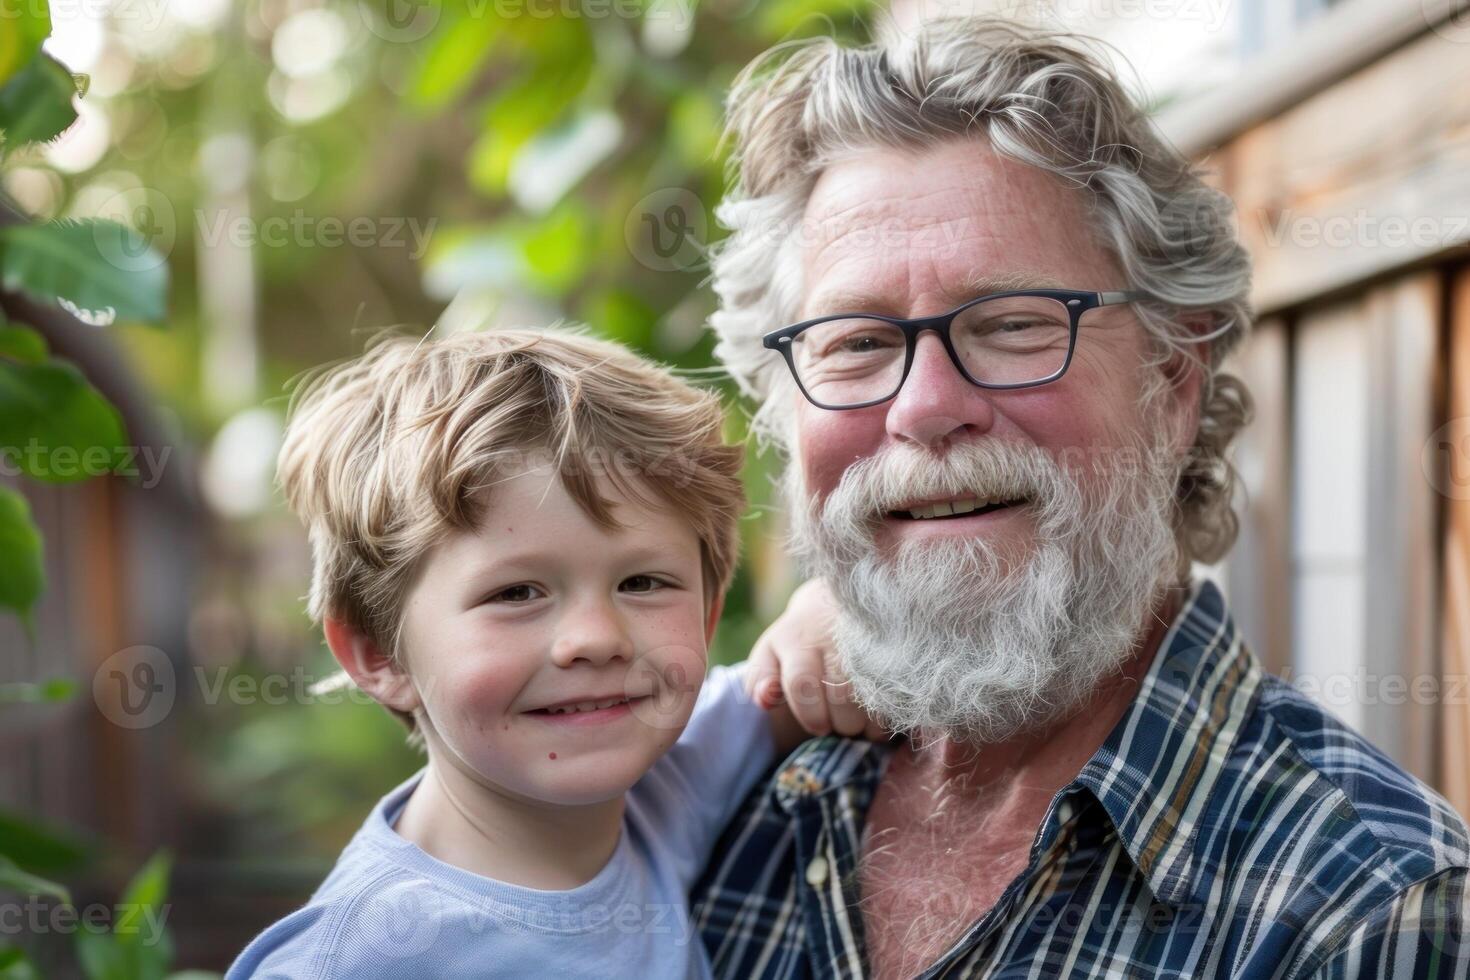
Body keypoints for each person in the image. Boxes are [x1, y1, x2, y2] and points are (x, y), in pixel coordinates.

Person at [695, 16, 1470, 978]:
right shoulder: (700, 801)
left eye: (1013, 324)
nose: (926, 408)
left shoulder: (1367, 910)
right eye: (855, 342)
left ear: (1173, 378)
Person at [226, 327, 871, 979]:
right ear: (379, 656)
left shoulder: (670, 790)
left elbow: (795, 678)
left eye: (643, 582)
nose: (596, 637)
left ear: (706, 617)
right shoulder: (353, 960)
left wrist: (816, 612)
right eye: (517, 592)